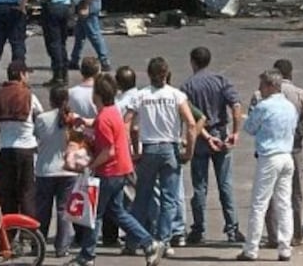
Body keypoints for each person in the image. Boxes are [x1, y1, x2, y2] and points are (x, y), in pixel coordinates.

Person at [70, 73, 167, 266]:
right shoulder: (111, 111)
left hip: (109, 171)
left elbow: (109, 151)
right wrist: (83, 121)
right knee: (117, 212)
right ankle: (149, 243)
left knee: (95, 215)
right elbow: (99, 124)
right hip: (121, 170)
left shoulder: (104, 118)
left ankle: (87, 256)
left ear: (97, 95)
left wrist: (91, 165)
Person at [126, 57, 196, 246]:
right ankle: (163, 240)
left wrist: (132, 149)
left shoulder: (141, 96)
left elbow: (129, 125)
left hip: (149, 148)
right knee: (169, 198)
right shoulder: (176, 95)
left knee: (142, 197)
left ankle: (134, 240)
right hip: (169, 148)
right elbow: (191, 124)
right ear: (166, 74)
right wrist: (189, 152)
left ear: (149, 74)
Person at [179, 47, 245, 245]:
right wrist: (235, 131)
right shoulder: (220, 80)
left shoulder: (187, 87)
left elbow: (191, 119)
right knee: (225, 185)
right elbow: (236, 106)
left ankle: (198, 229)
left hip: (201, 138)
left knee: (200, 187)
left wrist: (205, 136)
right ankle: (232, 228)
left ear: (192, 61)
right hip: (221, 135)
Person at [237, 69, 298, 262]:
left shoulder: (264, 106)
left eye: (262, 85)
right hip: (286, 155)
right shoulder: (290, 106)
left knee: (259, 203)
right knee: (284, 203)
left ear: (271, 86)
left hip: (269, 156)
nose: (259, 89)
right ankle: (285, 248)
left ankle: (251, 248)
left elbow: (249, 128)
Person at [257, 59, 303, 247]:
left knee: (268, 193)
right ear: (290, 73)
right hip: (293, 149)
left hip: (268, 150)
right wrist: (294, 135)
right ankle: (296, 234)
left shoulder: (260, 95)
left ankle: (273, 235)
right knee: (294, 192)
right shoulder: (300, 94)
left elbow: (254, 122)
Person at [0, 61, 41, 217]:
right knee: (27, 194)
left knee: (7, 195)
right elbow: (40, 118)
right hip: (27, 150)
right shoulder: (29, 95)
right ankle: (28, 229)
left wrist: (4, 131)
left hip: (6, 149)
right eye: (27, 73)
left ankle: (9, 229)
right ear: (21, 75)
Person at [34, 85, 78, 258]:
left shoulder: (42, 118)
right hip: (68, 171)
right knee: (64, 210)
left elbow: (37, 137)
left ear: (51, 100)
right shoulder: (73, 119)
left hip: (45, 170)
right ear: (66, 100)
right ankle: (62, 247)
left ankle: (39, 243)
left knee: (42, 210)